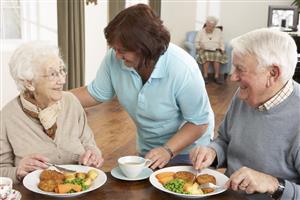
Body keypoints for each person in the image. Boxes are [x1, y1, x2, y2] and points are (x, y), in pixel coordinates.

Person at [72, 4, 214, 169]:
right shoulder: (115, 58)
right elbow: (94, 93)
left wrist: (168, 150)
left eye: (122, 50)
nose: (116, 56)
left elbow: (198, 122)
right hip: (150, 149)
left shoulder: (182, 67)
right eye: (114, 49)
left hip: (190, 152)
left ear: (145, 48)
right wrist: (53, 97)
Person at [190, 28, 300, 199]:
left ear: (272, 73)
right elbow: (225, 140)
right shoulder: (244, 95)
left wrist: (273, 184)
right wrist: (213, 152)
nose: (233, 77)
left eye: (240, 69)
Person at [0, 41, 104, 183]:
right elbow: (1, 169)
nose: (62, 80)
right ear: (29, 83)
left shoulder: (71, 102)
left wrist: (93, 156)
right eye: (53, 74)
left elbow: (89, 144)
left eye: (62, 71)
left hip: (78, 188)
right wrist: (18, 171)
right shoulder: (7, 117)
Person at [195, 16, 228, 84]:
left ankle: (216, 76)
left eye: (213, 26)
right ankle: (205, 76)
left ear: (215, 26)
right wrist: (199, 47)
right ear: (206, 24)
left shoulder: (218, 31)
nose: (211, 28)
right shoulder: (201, 32)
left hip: (216, 49)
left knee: (218, 56)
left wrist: (222, 49)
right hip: (204, 50)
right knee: (206, 56)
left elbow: (222, 41)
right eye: (209, 26)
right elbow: (196, 42)